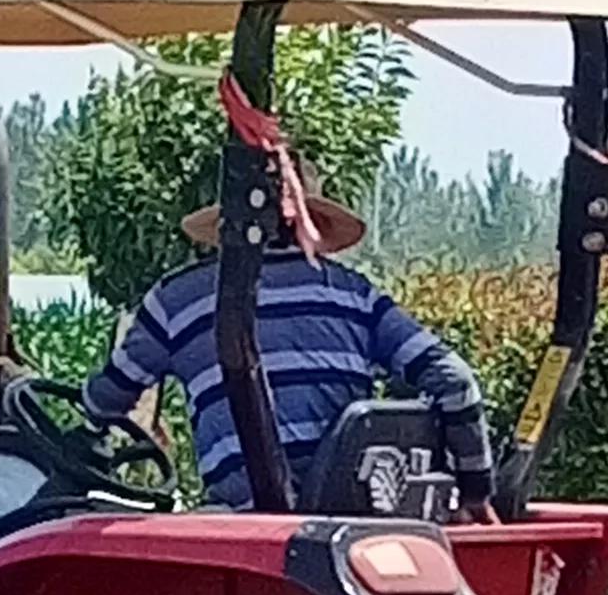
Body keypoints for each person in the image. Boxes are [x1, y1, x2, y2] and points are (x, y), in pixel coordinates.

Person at [84, 169, 495, 513]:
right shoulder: (354, 294)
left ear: (229, 222)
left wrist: (85, 411)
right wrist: (476, 496)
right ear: (310, 223)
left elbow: (109, 399)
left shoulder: (176, 299)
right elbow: (456, 382)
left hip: (241, 524)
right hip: (355, 522)